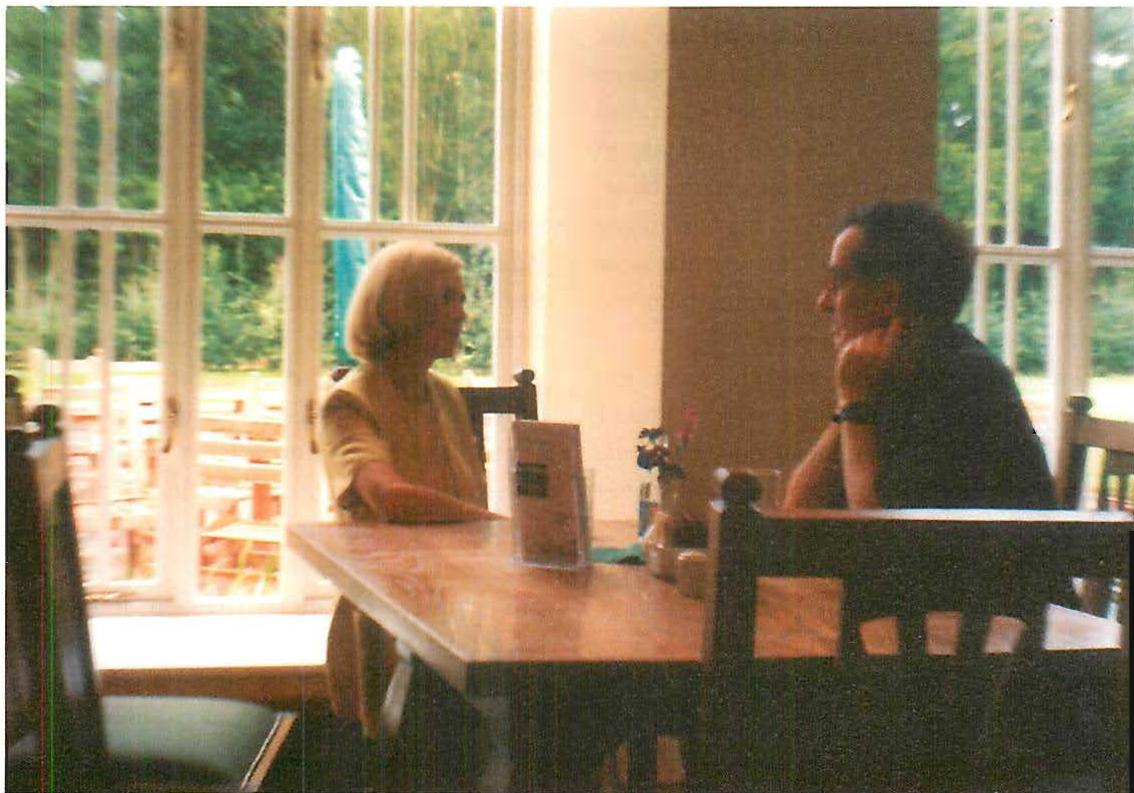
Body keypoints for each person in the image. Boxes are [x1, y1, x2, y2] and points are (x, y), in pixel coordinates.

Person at [319, 240, 497, 787]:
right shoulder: (349, 401)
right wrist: (497, 528)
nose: (463, 313)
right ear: (405, 306)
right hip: (392, 624)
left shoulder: (446, 395)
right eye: (449, 299)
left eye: (461, 299)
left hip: (463, 612)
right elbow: (389, 497)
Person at [782, 199, 1056, 512]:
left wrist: (855, 406)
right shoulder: (893, 370)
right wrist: (850, 403)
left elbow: (883, 539)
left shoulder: (962, 380)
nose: (824, 302)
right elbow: (798, 509)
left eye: (839, 282)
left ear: (889, 297)